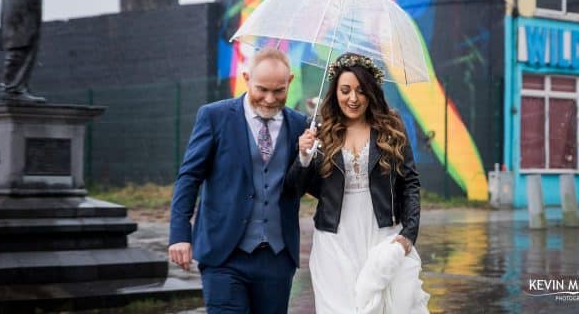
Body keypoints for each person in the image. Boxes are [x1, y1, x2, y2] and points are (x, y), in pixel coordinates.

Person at [168, 48, 309, 313]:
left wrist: (304, 158)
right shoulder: (214, 117)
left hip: (277, 260)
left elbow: (298, 188)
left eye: (278, 91)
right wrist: (179, 234)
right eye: (262, 89)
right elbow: (189, 177)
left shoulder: (301, 125)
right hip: (224, 256)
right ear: (246, 78)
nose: (269, 99)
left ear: (290, 81)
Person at [287, 53, 429, 313]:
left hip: (381, 235)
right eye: (345, 90)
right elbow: (295, 188)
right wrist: (304, 157)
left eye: (361, 91)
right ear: (335, 91)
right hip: (333, 241)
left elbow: (410, 182)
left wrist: (408, 234)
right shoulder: (320, 127)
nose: (353, 98)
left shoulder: (391, 125)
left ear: (371, 92)